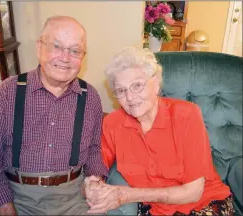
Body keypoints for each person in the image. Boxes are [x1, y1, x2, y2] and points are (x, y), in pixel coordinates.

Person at [0, 16, 108, 215]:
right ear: (39, 47)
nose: (65, 58)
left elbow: (93, 150)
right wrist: (5, 207)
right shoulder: (8, 92)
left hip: (73, 197)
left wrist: (96, 181)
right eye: (56, 46)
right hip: (18, 197)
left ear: (83, 56)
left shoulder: (90, 97)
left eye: (75, 50)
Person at [84, 46, 234, 215]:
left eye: (137, 85)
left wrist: (126, 194)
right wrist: (93, 183)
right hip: (155, 209)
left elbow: (194, 192)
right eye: (121, 90)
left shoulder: (187, 115)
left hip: (204, 203)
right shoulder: (113, 123)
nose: (130, 97)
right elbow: (97, 162)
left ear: (155, 84)